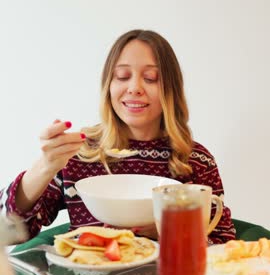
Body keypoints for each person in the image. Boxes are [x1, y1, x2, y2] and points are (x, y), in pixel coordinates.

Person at [0, 29, 235, 244]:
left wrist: (172, 231)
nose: (134, 87)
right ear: (108, 86)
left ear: (171, 89)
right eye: (122, 76)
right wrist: (44, 167)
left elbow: (223, 242)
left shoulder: (196, 160)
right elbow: (8, 230)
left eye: (151, 78)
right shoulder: (79, 154)